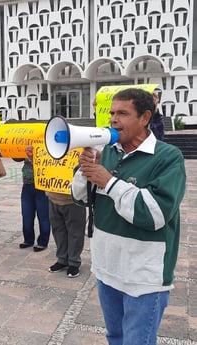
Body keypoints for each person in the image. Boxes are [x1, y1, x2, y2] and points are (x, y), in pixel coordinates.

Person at [71, 88, 186, 344]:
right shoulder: (107, 152)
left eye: (122, 113)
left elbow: (155, 214)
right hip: (107, 269)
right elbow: (79, 198)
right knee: (115, 336)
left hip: (143, 277)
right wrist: (85, 171)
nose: (113, 119)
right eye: (112, 113)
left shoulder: (168, 158)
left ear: (145, 117)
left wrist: (109, 181)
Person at [16, 145, 50, 252]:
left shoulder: (48, 143)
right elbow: (16, 157)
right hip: (27, 185)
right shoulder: (26, 141)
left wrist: (33, 157)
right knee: (27, 215)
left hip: (42, 185)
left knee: (43, 216)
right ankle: (28, 239)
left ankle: (43, 242)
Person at [46, 191, 86, 278]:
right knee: (58, 231)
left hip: (73, 200)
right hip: (53, 198)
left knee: (75, 232)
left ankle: (74, 262)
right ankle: (62, 259)